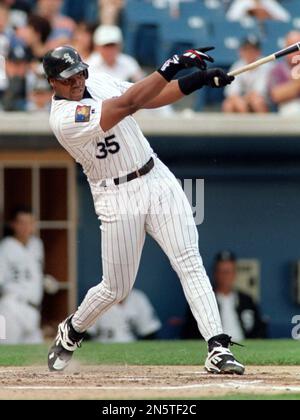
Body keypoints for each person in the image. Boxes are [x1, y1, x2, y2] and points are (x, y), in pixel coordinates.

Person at [43, 44, 245, 375]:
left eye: (79, 72)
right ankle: (73, 330)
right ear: (53, 82)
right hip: (115, 194)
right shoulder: (64, 119)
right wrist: (172, 65)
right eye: (68, 78)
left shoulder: (99, 80)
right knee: (116, 288)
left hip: (155, 176)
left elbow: (149, 97)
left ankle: (217, 347)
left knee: (189, 260)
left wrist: (199, 79)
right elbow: (128, 104)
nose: (77, 80)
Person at [182, 251, 267, 342]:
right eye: (221, 271)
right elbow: (190, 333)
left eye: (228, 272)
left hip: (243, 346)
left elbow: (260, 331)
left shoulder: (246, 300)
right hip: (214, 348)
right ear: (215, 273)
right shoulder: (202, 300)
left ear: (234, 274)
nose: (225, 276)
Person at [0, 207, 44, 344]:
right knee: (4, 351)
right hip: (10, 307)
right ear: (13, 224)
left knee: (37, 354)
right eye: (21, 222)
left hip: (33, 309)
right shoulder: (5, 247)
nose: (26, 227)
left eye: (29, 222)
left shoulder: (37, 244)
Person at [88, 288, 162, 342]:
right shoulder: (96, 298)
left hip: (131, 348)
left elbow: (149, 333)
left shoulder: (138, 298)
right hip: (102, 346)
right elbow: (86, 334)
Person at [222, 36, 270, 113]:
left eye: (253, 50)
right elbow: (231, 92)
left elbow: (259, 92)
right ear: (241, 51)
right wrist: (239, 101)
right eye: (246, 49)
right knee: (228, 105)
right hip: (242, 100)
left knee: (257, 102)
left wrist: (243, 101)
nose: (250, 53)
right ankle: (234, 125)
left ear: (259, 51)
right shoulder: (237, 65)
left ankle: (263, 125)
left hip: (263, 100)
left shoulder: (266, 65)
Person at [268, 31, 300, 116]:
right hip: (287, 108)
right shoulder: (277, 70)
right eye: (293, 48)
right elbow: (276, 96)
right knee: (294, 109)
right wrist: (297, 83)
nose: (297, 52)